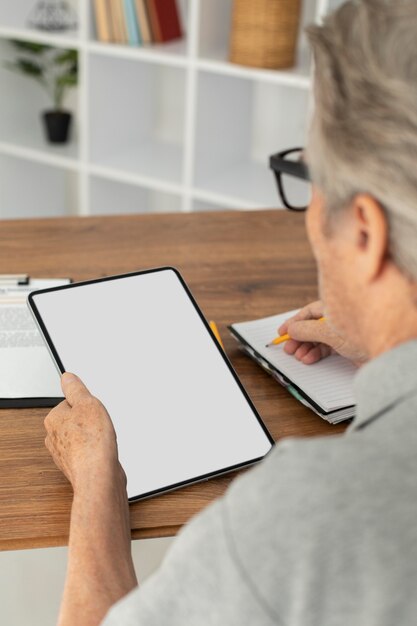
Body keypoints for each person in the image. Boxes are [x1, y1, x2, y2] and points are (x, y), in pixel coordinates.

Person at [44, 1, 417, 624]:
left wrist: (97, 485)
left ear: (365, 233)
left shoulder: (300, 519)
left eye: (310, 178)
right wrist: (389, 331)